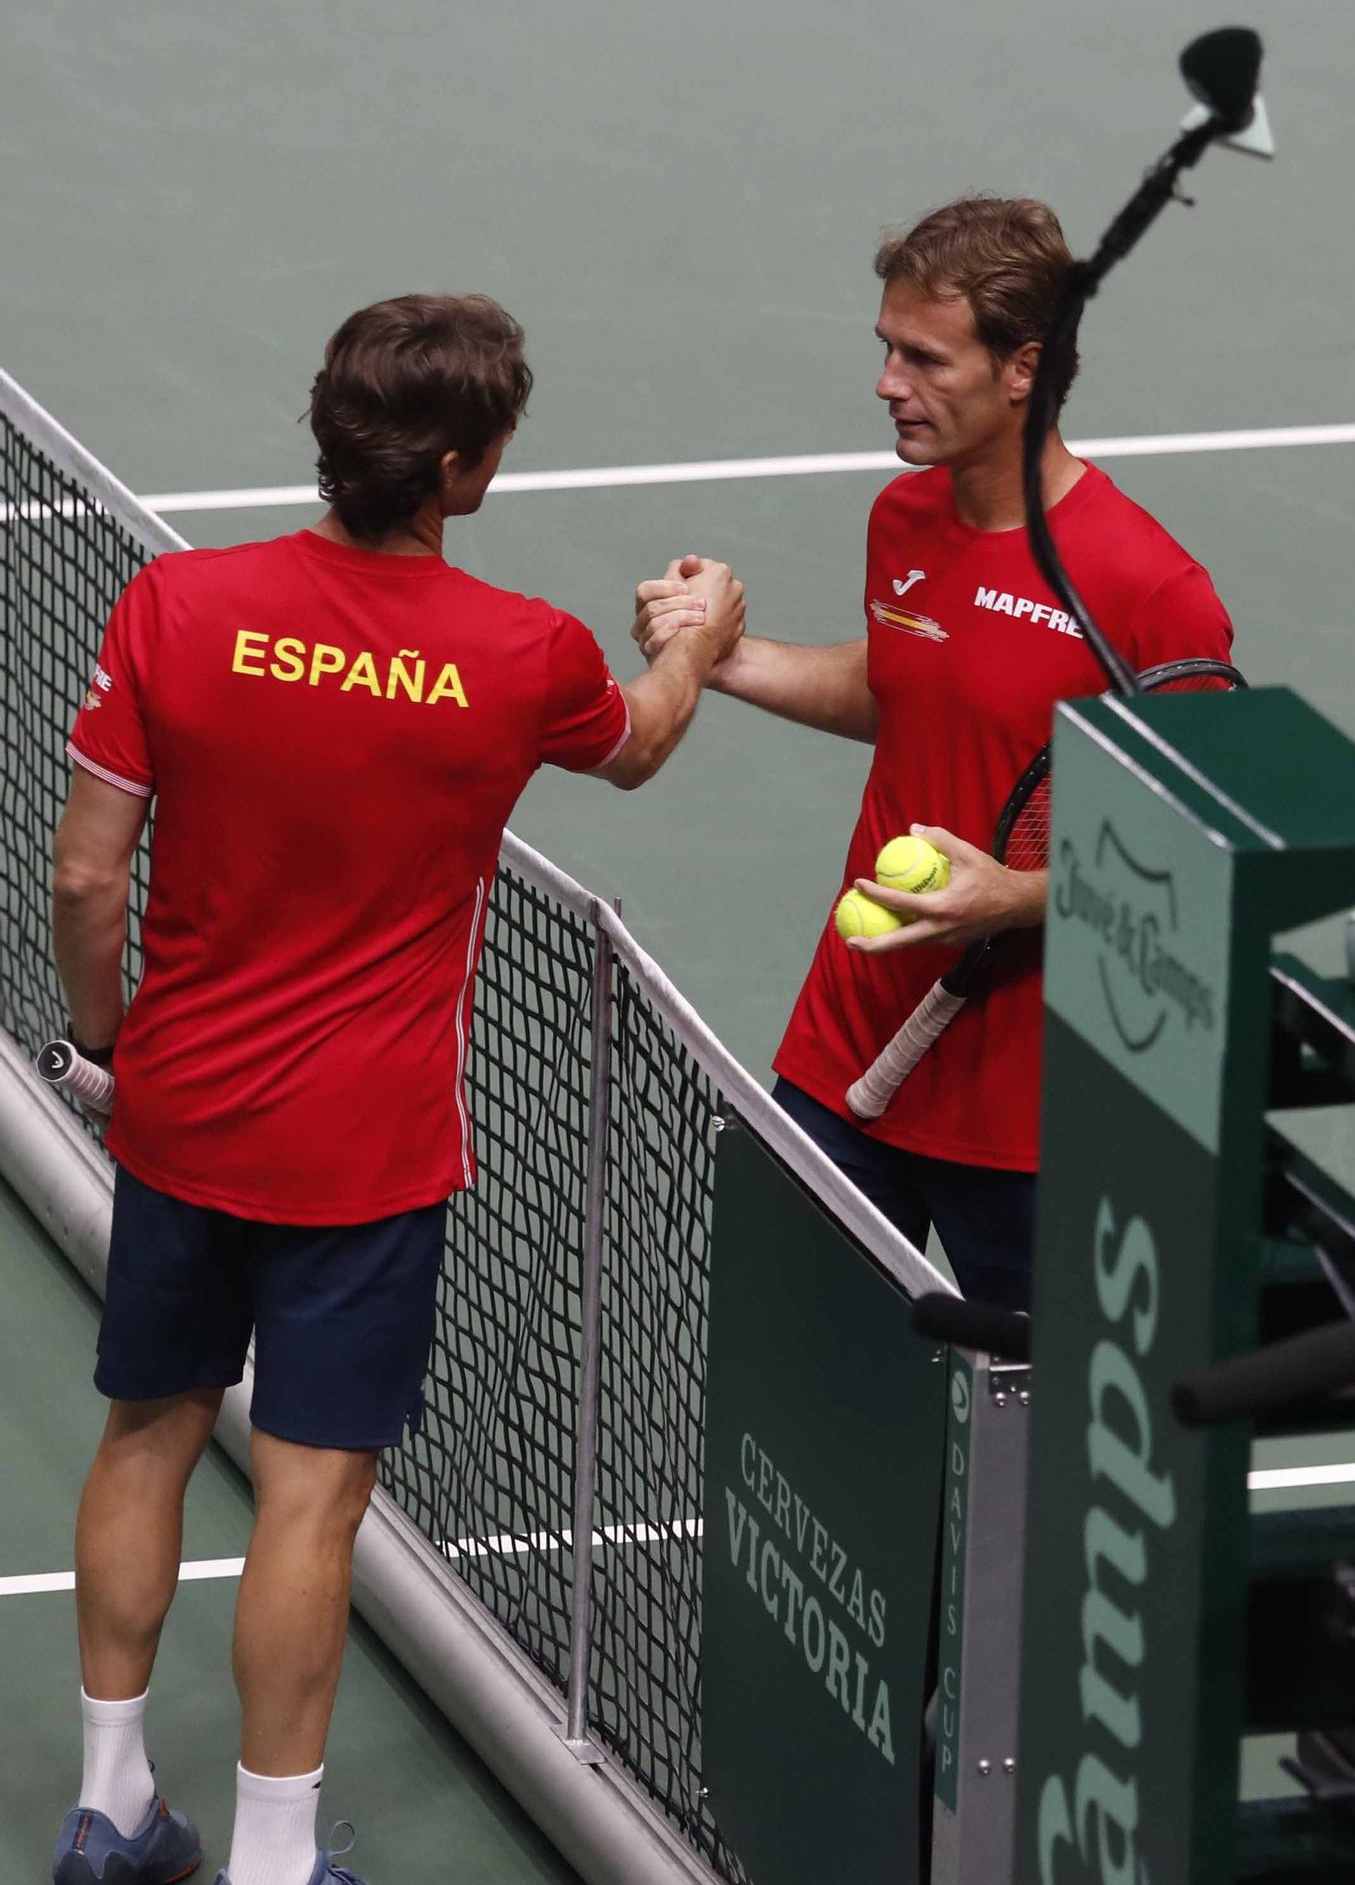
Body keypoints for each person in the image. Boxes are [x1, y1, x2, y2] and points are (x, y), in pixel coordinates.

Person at [49, 293, 743, 1885]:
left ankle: (113, 1814)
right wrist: (693, 637)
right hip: (364, 1153)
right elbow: (636, 743)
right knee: (309, 1498)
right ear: (466, 466)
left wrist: (107, 1049)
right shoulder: (523, 656)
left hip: (179, 1117)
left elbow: (91, 880)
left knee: (142, 1434)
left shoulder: (177, 605)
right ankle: (280, 1868)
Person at [632, 196, 1233, 1310]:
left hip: (1031, 1111)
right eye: (885, 349)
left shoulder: (1148, 590)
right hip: (848, 1051)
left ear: (1024, 371)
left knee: (1046, 1437)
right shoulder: (906, 516)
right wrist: (719, 654)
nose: (887, 381)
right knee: (792, 1404)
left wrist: (1014, 895)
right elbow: (913, 685)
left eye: (923, 356)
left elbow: (1204, 857)